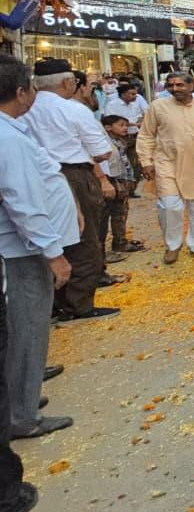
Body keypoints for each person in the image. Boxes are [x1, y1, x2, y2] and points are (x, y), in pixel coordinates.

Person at [0, 54, 76, 444]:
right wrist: (53, 253)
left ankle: (17, 400)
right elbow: (23, 203)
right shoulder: (9, 139)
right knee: (28, 329)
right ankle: (22, 416)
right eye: (31, 87)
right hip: (20, 251)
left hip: (19, 248)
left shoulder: (12, 130)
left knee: (19, 330)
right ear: (20, 92)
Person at [24, 59, 117, 323]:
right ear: (67, 82)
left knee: (49, 236)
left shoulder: (24, 110)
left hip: (32, 176)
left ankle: (54, 302)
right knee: (85, 239)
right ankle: (78, 304)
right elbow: (102, 151)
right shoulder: (73, 109)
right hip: (72, 175)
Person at [137, 72, 194, 264]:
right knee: (169, 206)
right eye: (170, 85)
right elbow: (146, 135)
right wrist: (146, 161)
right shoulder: (158, 106)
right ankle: (172, 246)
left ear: (192, 86)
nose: (174, 89)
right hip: (167, 163)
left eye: (180, 85)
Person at [98, 115, 140, 256]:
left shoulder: (120, 142)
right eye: (121, 125)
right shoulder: (104, 143)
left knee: (121, 211)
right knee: (107, 213)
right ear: (108, 127)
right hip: (111, 180)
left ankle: (120, 241)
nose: (125, 128)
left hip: (121, 179)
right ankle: (101, 250)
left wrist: (129, 179)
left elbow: (125, 163)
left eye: (126, 125)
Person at [102, 81, 147, 176]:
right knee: (123, 161)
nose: (135, 96)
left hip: (134, 136)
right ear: (123, 95)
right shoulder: (112, 105)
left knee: (136, 161)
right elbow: (110, 121)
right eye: (132, 94)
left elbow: (137, 117)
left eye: (135, 94)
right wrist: (134, 124)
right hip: (121, 137)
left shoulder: (133, 104)